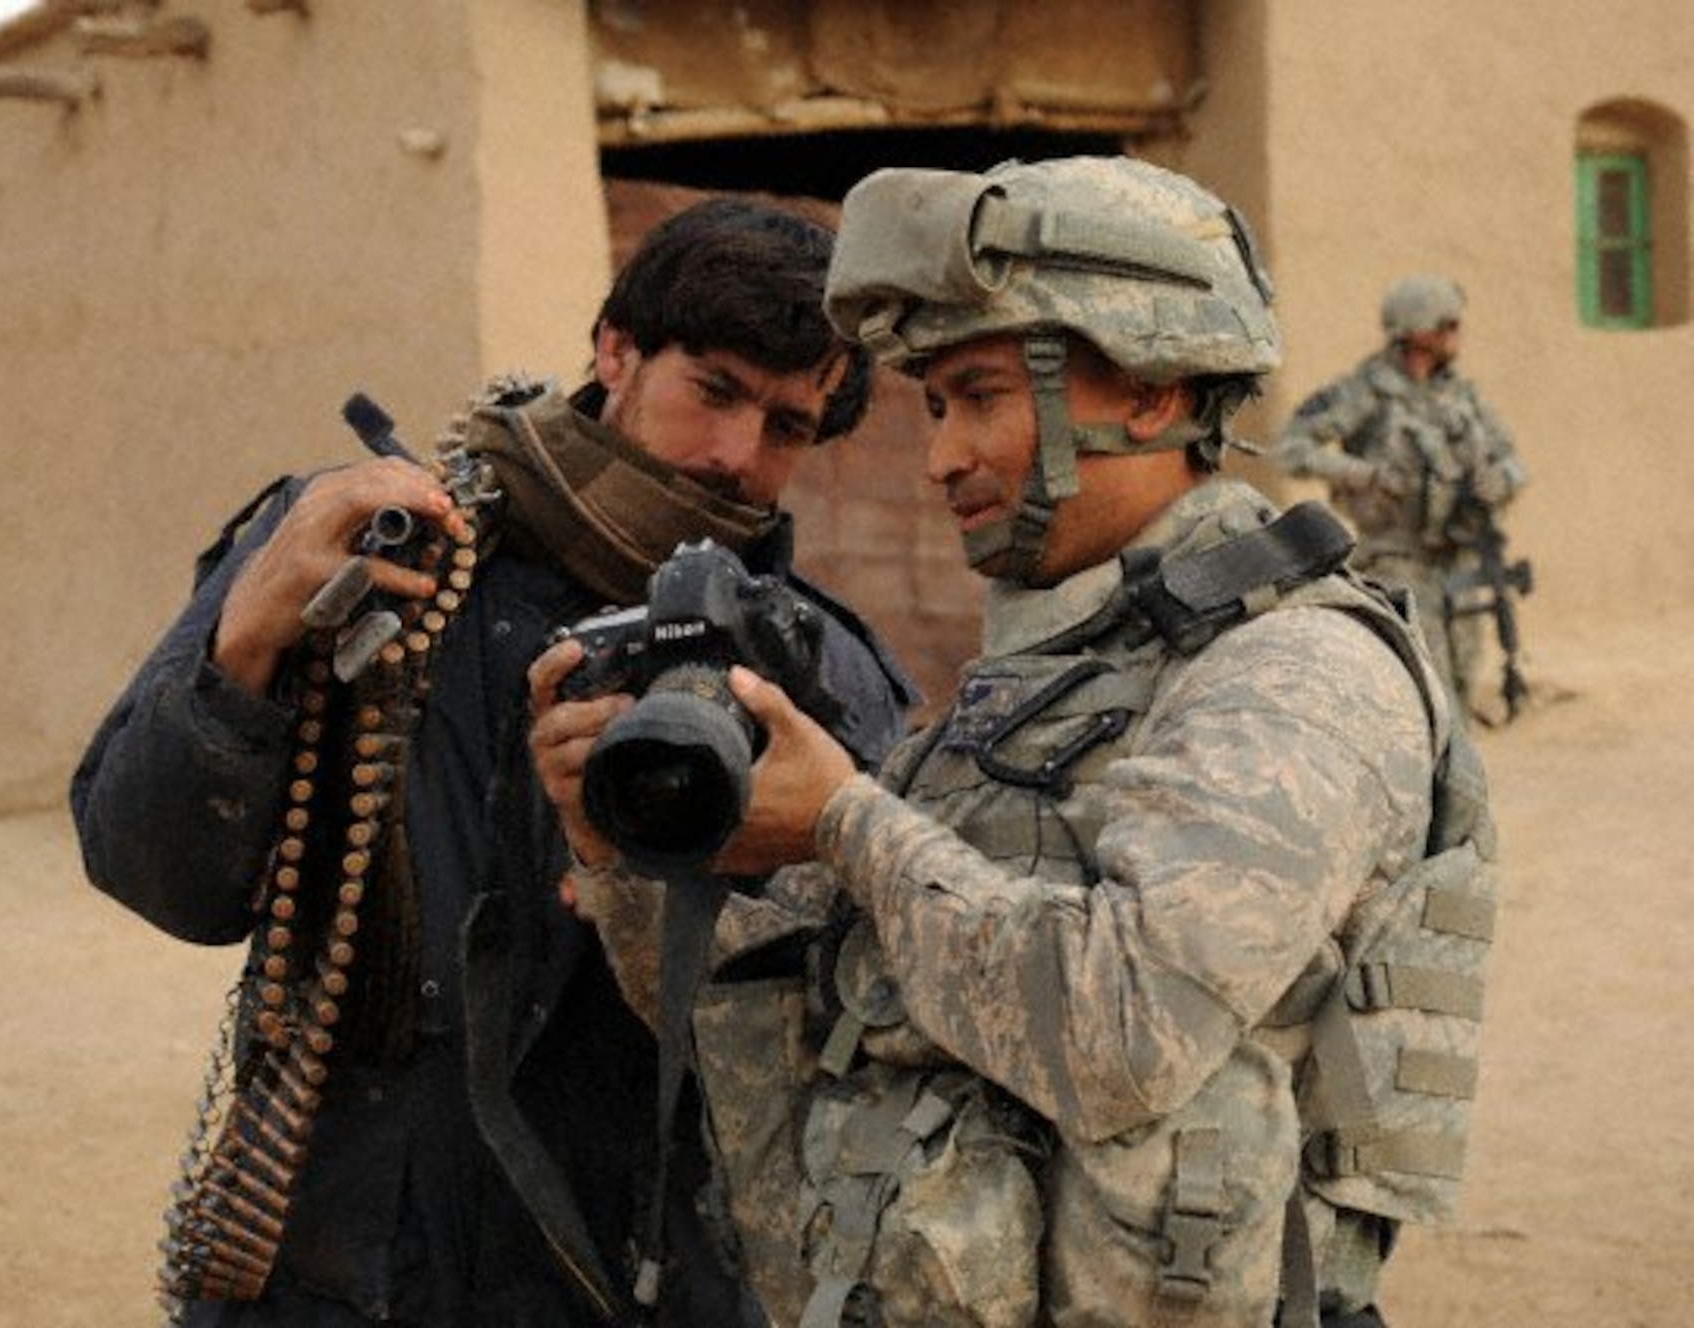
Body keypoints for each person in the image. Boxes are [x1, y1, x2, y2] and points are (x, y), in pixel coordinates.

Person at [530, 159, 1498, 1328]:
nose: (939, 456)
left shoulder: (1294, 672)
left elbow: (1122, 1030)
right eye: (934, 405)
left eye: (979, 395)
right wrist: (621, 850)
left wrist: (846, 819)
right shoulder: (1044, 681)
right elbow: (747, 1013)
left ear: (1148, 389)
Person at [70, 196, 914, 1328]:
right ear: (615, 349)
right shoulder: (371, 556)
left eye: (786, 428)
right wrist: (249, 634)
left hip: (642, 1280)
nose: (735, 456)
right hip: (346, 1275)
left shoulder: (819, 678)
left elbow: (857, 1034)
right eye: (712, 390)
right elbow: (151, 870)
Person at [1275, 275, 1529, 715]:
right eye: (1448, 324)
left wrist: (1501, 479)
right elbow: (1291, 448)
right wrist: (1364, 474)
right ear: (1417, 330)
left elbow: (1512, 460)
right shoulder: (1365, 392)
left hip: (1461, 561)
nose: (1458, 334)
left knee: (1464, 683)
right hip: (1398, 561)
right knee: (1428, 689)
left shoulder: (1461, 395)